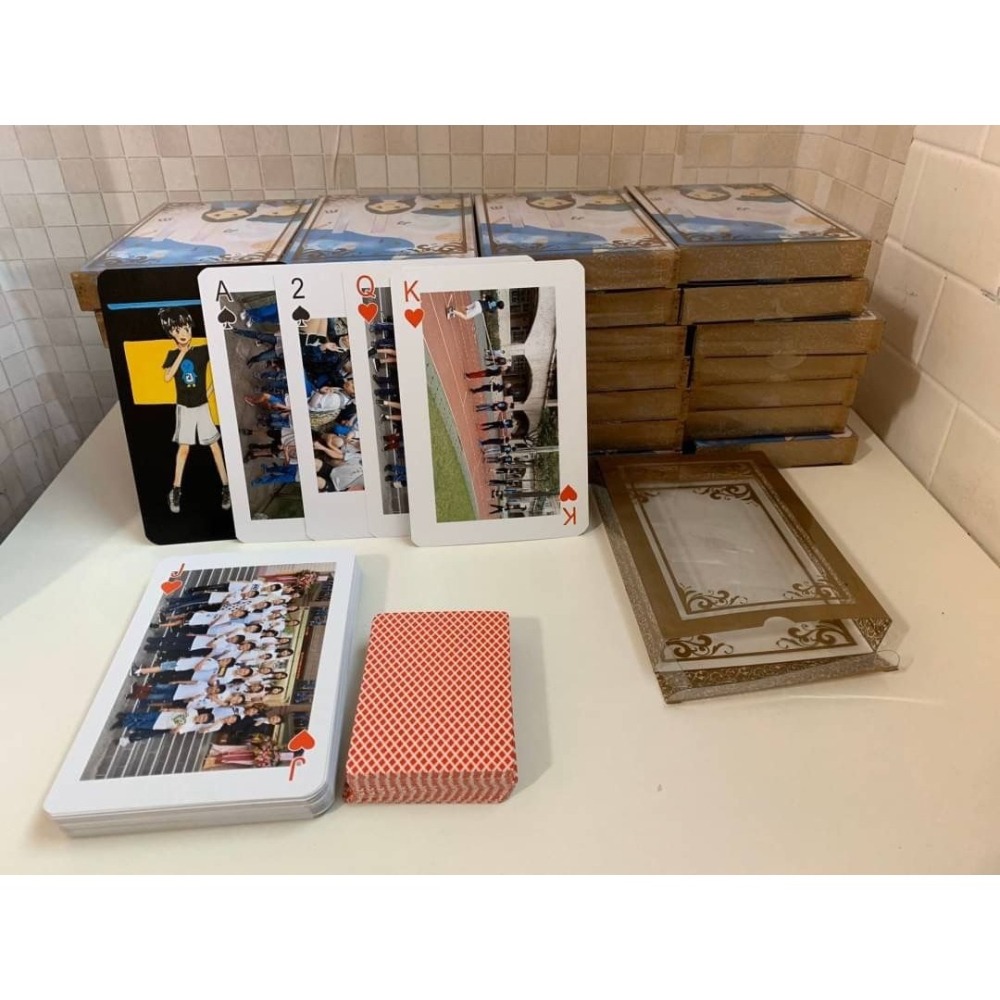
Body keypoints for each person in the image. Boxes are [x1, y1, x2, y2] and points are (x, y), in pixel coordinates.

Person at [159, 308, 230, 514]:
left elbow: (220, 353)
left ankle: (226, 486)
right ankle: (175, 490)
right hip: (184, 408)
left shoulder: (201, 351)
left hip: (202, 406)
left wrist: (211, 390)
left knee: (214, 447)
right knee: (184, 449)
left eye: (186, 328)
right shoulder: (172, 355)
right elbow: (167, 377)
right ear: (171, 333)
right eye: (177, 330)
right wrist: (181, 353)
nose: (183, 333)